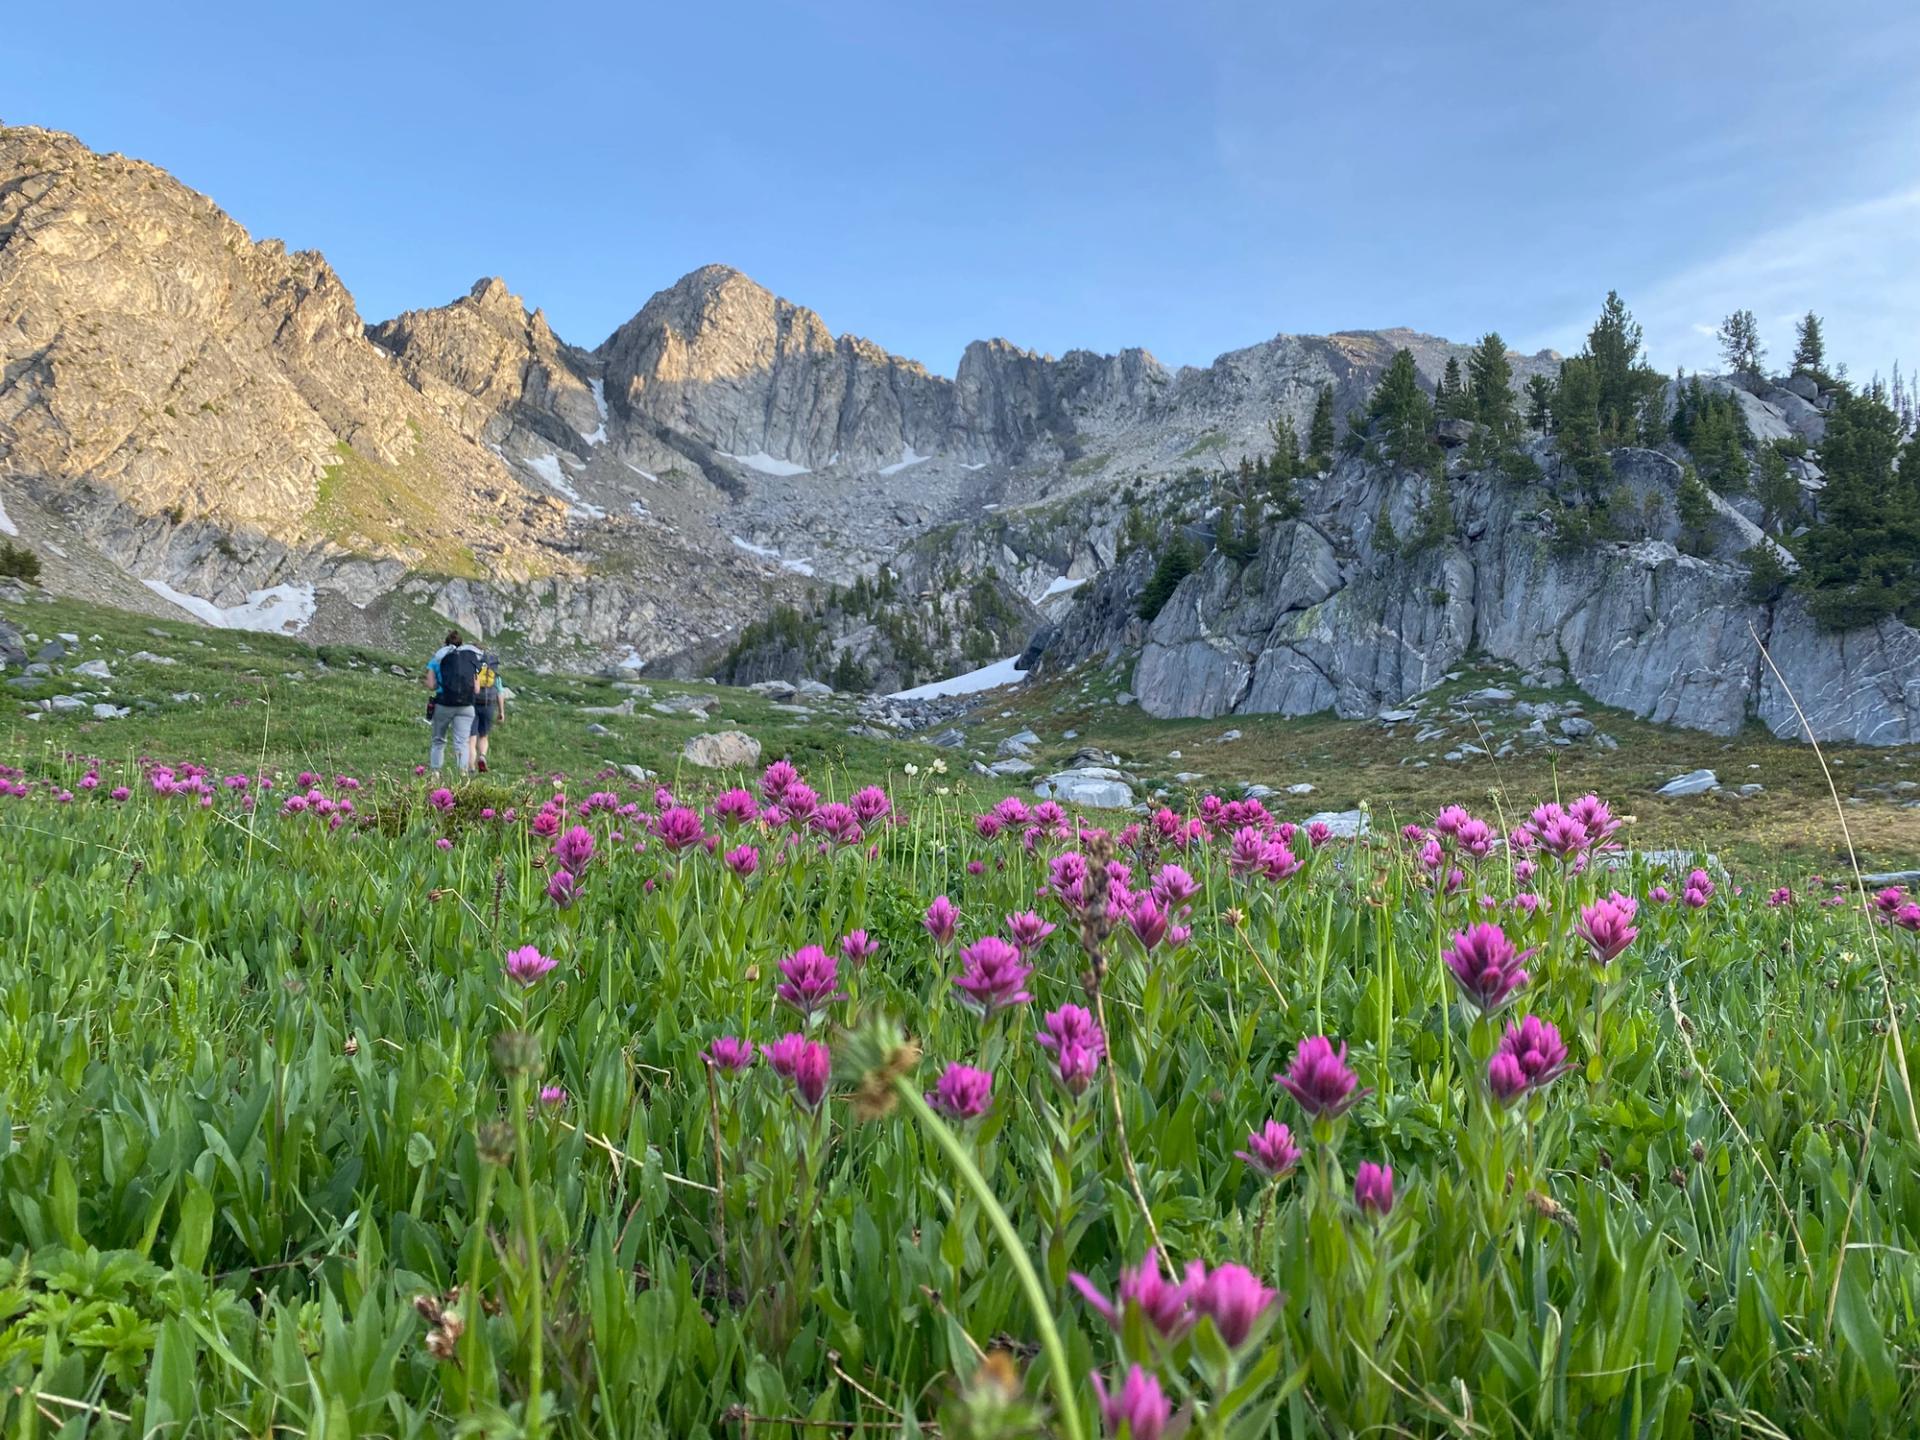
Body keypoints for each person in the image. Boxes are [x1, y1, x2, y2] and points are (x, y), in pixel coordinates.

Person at [425, 629, 483, 772]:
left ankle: (435, 774)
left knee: (438, 740)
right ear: (461, 644)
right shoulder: (469, 660)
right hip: (466, 706)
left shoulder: (436, 660)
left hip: (444, 704)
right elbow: (476, 689)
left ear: (445, 644)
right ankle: (462, 775)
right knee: (462, 742)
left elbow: (431, 685)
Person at [470, 651, 504, 772]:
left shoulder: (476, 670)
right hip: (488, 705)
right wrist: (501, 712)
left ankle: (471, 767)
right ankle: (482, 756)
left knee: (472, 737)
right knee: (484, 736)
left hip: (473, 705)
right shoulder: (495, 675)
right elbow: (500, 693)